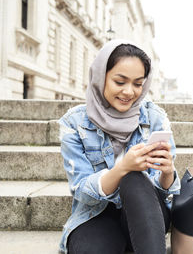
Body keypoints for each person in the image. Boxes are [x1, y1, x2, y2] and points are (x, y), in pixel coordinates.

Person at [58, 39, 180, 254]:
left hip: (146, 213)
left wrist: (167, 172)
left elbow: (166, 193)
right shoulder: (74, 122)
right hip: (96, 214)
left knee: (134, 178)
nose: (129, 92)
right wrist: (122, 167)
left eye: (137, 83)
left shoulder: (154, 117)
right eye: (120, 81)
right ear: (101, 77)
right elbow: (82, 192)